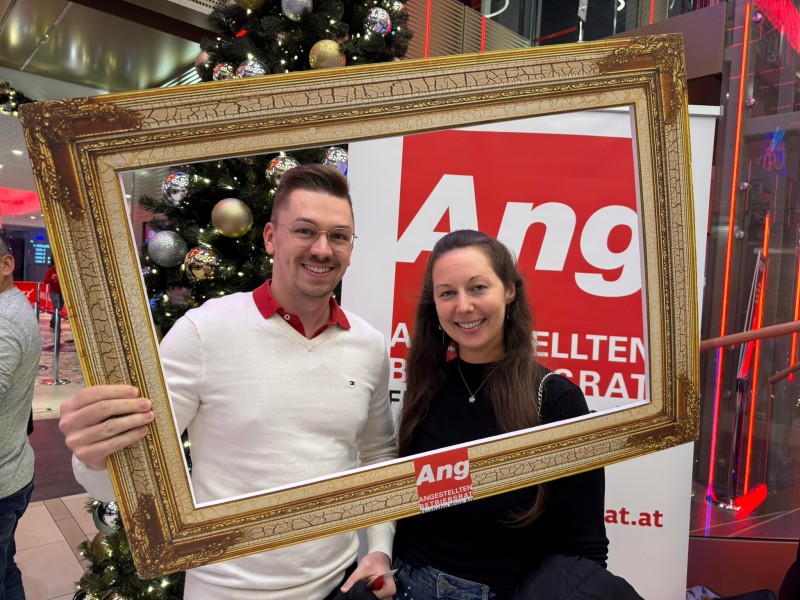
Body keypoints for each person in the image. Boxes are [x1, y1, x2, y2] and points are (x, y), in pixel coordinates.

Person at [59, 165, 397, 599]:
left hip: (339, 584)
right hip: (226, 589)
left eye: (339, 236)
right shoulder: (203, 332)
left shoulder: (369, 344)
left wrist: (380, 549)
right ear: (271, 238)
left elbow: (377, 454)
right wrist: (94, 457)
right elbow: (125, 472)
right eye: (304, 231)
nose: (322, 249)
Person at [392, 229, 609, 599]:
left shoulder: (556, 399)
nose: (463, 306)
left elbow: (585, 549)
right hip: (407, 587)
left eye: (478, 288)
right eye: (447, 293)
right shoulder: (428, 385)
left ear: (509, 290)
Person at [0, 233, 42, 599]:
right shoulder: (12, 307)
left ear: (6, 265)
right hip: (13, 469)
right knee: (6, 570)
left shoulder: (5, 322)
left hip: (3, 479)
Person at [42, 262, 63, 329]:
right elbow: (45, 281)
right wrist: (52, 278)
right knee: (57, 307)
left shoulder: (64, 270)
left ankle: (53, 322)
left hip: (62, 292)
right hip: (54, 292)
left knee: (59, 308)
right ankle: (56, 325)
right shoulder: (51, 270)